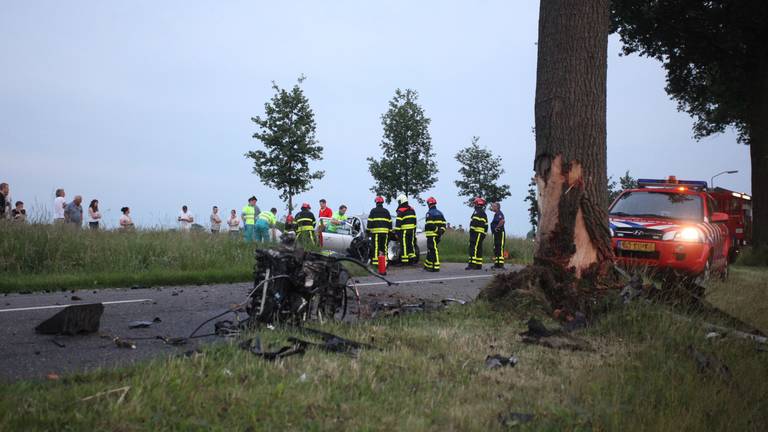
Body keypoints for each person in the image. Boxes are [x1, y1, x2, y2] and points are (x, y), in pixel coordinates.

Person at [367, 196, 392, 268]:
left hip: (376, 233)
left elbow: (370, 222)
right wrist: (390, 231)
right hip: (385, 233)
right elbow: (390, 222)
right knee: (384, 247)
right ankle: (385, 263)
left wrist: (368, 230)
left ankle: (376, 263)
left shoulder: (373, 211)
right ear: (382, 203)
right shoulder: (386, 211)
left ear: (376, 202)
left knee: (376, 247)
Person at [423, 197, 446, 272]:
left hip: (431, 235)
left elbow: (429, 224)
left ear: (428, 204)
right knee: (430, 250)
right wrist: (441, 231)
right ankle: (427, 265)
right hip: (438, 235)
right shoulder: (440, 213)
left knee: (433, 250)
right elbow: (444, 224)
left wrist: (436, 230)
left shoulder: (429, 213)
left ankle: (435, 266)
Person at [466, 197, 488, 270]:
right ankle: (478, 265)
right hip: (480, 233)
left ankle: (472, 265)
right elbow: (486, 225)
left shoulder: (477, 212)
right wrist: (484, 234)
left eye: (475, 203)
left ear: (477, 204)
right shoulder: (483, 212)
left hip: (476, 232)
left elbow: (474, 222)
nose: (474, 205)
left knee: (473, 247)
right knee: (479, 248)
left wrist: (471, 230)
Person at [394, 194, 417, 264]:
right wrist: (414, 231)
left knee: (404, 245)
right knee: (411, 245)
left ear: (401, 201)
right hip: (412, 231)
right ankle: (412, 260)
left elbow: (398, 223)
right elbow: (415, 221)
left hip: (404, 231)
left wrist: (396, 233)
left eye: (399, 201)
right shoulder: (412, 210)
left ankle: (404, 261)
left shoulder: (401, 211)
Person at [490, 202, 506, 269]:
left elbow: (502, 221)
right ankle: (497, 263)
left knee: (500, 247)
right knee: (496, 248)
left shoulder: (499, 213)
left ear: (497, 207)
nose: (492, 208)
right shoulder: (496, 214)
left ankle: (501, 264)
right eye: (492, 206)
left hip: (500, 233)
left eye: (494, 206)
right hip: (496, 234)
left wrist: (497, 227)